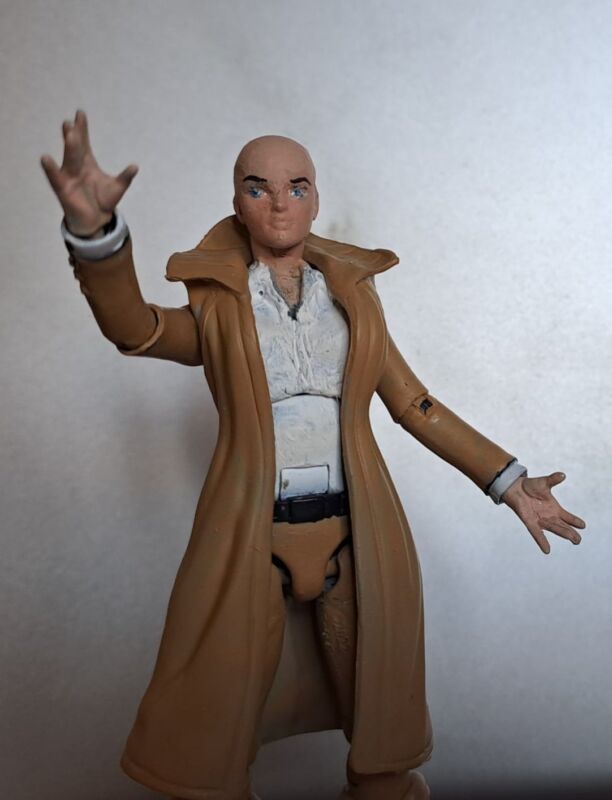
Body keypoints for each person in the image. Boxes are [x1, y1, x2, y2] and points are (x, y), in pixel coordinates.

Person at [41, 111, 586, 800]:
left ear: (316, 197)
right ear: (236, 201)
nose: (279, 203)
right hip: (253, 533)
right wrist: (96, 239)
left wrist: (508, 481)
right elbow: (137, 329)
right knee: (220, 703)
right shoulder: (221, 305)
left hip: (352, 532)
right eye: (259, 187)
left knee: (376, 703)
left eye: (296, 187)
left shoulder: (352, 298)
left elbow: (413, 402)